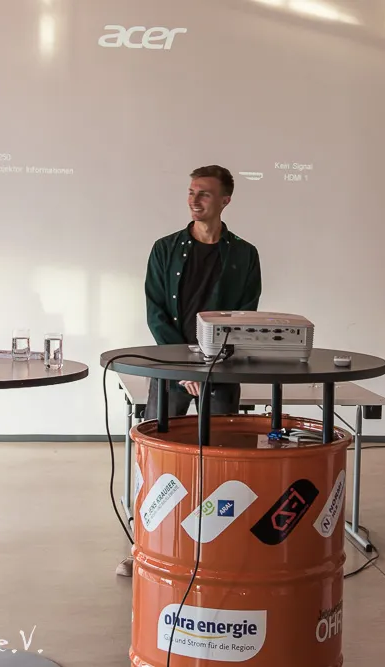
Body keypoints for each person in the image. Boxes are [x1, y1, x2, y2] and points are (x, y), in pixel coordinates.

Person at [115, 165, 262, 578]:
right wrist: (184, 367)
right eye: (192, 192)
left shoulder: (245, 254)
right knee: (157, 459)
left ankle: (218, 550)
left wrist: (208, 366)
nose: (194, 200)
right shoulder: (165, 249)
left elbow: (243, 316)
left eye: (205, 194)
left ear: (225, 201)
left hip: (221, 370)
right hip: (171, 371)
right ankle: (144, 548)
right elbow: (156, 313)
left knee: (223, 461)